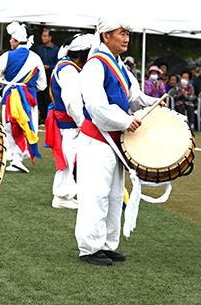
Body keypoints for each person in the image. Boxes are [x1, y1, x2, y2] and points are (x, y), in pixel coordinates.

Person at [75, 18, 160, 266]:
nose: (126, 39)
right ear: (105, 36)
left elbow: (134, 96)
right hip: (98, 138)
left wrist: (151, 103)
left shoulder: (118, 65)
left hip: (114, 139)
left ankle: (106, 244)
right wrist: (124, 121)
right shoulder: (95, 65)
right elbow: (96, 105)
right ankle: (89, 247)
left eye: (127, 34)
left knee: (113, 194)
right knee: (96, 193)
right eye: (122, 33)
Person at [45, 33, 94, 210]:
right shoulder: (69, 69)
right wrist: (82, 122)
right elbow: (72, 101)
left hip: (69, 122)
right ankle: (62, 196)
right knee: (69, 159)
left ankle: (66, 194)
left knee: (70, 159)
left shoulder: (67, 66)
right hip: (70, 123)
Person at [0, 21, 46, 173]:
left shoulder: (6, 56)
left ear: (17, 40)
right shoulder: (36, 58)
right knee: (27, 125)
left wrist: (6, 82)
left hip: (10, 96)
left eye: (12, 39)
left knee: (10, 126)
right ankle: (17, 158)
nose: (10, 41)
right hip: (29, 97)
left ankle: (14, 157)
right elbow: (42, 84)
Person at [35, 28, 59, 125]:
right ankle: (42, 117)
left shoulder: (56, 50)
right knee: (40, 97)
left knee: (48, 97)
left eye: (45, 36)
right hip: (40, 76)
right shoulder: (39, 49)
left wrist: (49, 67)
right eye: (42, 36)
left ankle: (48, 117)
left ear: (50, 37)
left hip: (49, 76)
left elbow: (57, 64)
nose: (43, 38)